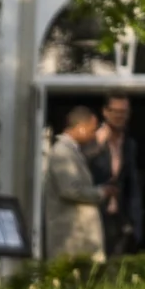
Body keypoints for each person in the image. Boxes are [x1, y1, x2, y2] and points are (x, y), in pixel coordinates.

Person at [41, 107, 107, 260]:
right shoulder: (62, 152)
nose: (93, 135)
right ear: (81, 128)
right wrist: (101, 192)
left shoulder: (72, 151)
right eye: (92, 130)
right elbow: (70, 190)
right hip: (71, 241)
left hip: (79, 240)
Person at [97, 94, 141, 256]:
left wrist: (135, 223)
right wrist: (97, 145)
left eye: (124, 112)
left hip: (119, 218)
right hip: (96, 216)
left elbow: (132, 185)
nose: (120, 117)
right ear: (105, 112)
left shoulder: (129, 144)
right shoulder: (93, 142)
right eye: (116, 112)